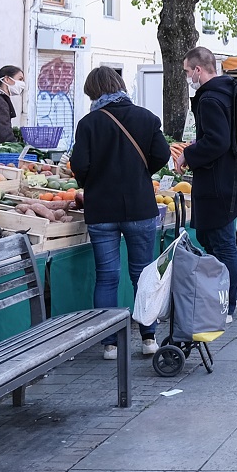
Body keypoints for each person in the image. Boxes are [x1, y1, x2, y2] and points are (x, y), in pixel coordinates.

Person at [70, 68, 170, 360]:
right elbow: (162, 155)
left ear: (94, 91)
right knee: (142, 274)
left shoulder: (88, 124)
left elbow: (80, 165)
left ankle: (109, 343)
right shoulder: (146, 118)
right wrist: (140, 174)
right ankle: (149, 337)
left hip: (101, 208)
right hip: (139, 206)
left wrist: (93, 181)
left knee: (107, 276)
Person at [174, 47, 237, 321]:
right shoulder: (230, 90)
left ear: (198, 70)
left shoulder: (210, 99)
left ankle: (227, 303)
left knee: (221, 242)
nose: (188, 77)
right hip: (232, 177)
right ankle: (225, 295)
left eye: (188, 71)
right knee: (215, 238)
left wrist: (189, 154)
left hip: (219, 182)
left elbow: (218, 141)